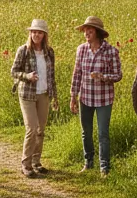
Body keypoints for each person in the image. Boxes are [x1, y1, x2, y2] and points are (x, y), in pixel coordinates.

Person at [69, 16, 123, 175]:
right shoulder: (81, 49)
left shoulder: (111, 51)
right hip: (85, 97)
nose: (86, 32)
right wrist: (73, 96)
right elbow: (77, 73)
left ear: (98, 32)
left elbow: (118, 75)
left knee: (103, 134)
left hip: (103, 99)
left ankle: (104, 167)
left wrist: (103, 77)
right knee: (86, 132)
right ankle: (88, 162)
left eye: (90, 29)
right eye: (85, 29)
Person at [10, 19, 59, 177]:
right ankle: (26, 164)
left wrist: (55, 97)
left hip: (43, 94)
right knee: (31, 128)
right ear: (30, 34)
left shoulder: (49, 52)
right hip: (27, 94)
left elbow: (52, 76)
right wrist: (27, 76)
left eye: (39, 32)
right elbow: (14, 72)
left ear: (44, 35)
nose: (36, 35)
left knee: (40, 130)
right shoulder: (23, 50)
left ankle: (36, 162)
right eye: (33, 32)